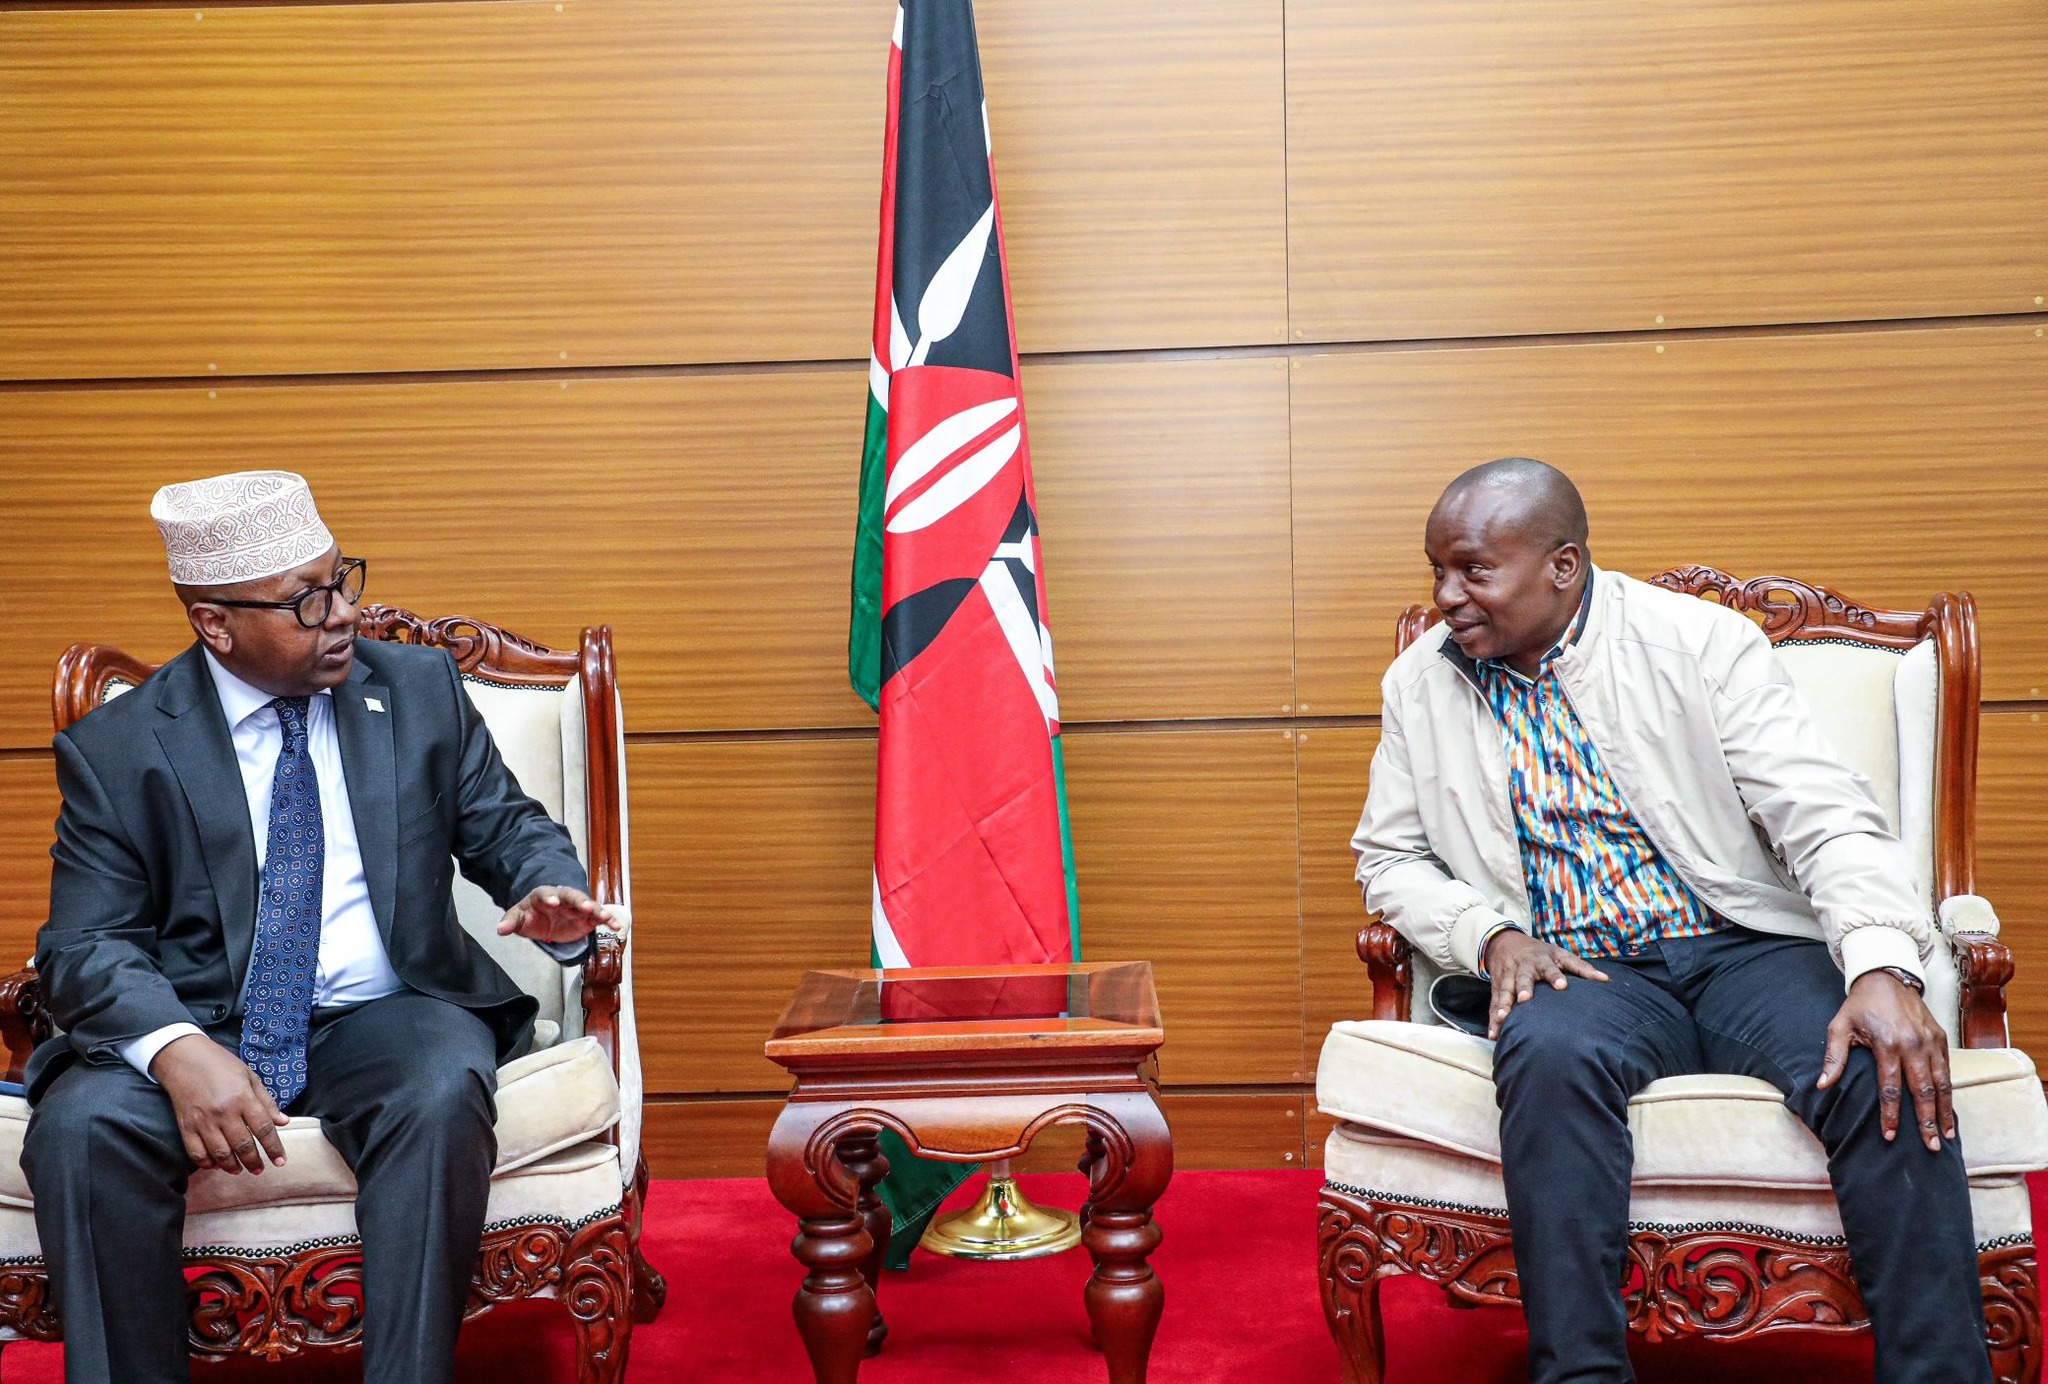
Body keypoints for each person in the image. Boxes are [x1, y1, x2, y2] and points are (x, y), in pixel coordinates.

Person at [1351, 457, 1988, 1384]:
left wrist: (1882, 967)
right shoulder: (1420, 684)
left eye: (1474, 570)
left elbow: (1823, 813)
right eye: (1436, 570)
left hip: (1744, 945)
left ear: (1562, 566)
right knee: (1547, 1052)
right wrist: (1488, 935)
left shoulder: (1701, 644)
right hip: (1580, 967)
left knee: (1876, 1056)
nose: (1447, 595)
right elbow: (1390, 857)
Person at [24, 470, 614, 1384]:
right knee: (80, 1128)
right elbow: (82, 945)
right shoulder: (122, 748)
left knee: (439, 1086)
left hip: (383, 1013)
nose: (341, 613)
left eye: (342, 580)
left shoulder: (417, 690)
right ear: (215, 623)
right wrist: (178, 1051)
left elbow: (507, 825)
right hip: (201, 1020)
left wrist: (549, 889)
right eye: (306, 600)